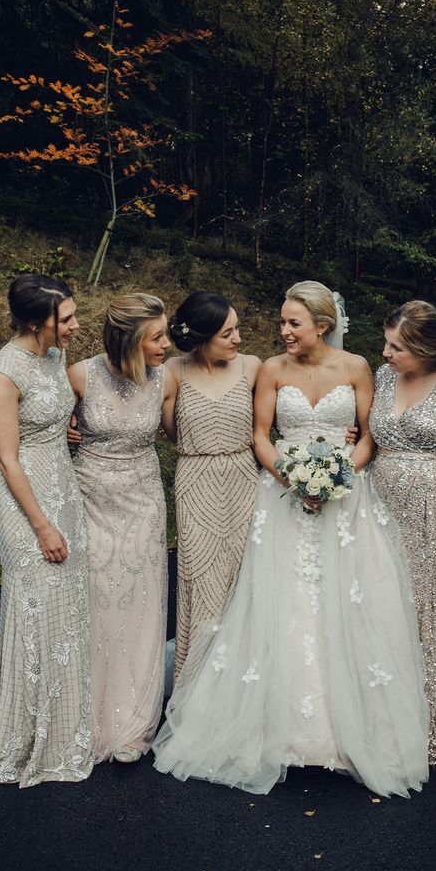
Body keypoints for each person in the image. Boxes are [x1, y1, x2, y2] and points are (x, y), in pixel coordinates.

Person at [153, 281, 429, 798]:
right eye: (282, 322)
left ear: (322, 325)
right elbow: (260, 434)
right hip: (283, 500)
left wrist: (341, 475)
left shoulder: (357, 368)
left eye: (292, 323)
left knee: (348, 605)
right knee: (281, 606)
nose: (282, 331)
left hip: (346, 502)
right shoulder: (272, 370)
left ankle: (347, 732)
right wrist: (292, 479)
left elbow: (369, 435)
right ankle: (277, 730)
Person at [0, 274, 93, 787]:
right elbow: (7, 456)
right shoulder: (3, 373)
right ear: (35, 321)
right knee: (36, 601)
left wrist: (63, 428)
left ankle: (66, 727)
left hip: (61, 482)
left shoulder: (52, 356)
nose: (74, 325)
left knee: (65, 604)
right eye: (64, 318)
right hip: (23, 496)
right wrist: (42, 525)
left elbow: (45, 418)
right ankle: (27, 736)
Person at [68, 294, 175, 763]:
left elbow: (179, 431)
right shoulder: (78, 375)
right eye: (157, 337)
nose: (166, 344)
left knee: (141, 603)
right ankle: (87, 718)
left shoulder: (164, 379)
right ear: (129, 339)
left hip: (144, 501)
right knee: (96, 604)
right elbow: (29, 416)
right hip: (90, 499)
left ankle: (133, 721)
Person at [369, 300, 436, 765]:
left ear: (426, 350)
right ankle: (382, 720)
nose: (387, 354)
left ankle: (434, 727)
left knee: (430, 610)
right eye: (386, 344)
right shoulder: (380, 375)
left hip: (435, 504)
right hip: (377, 500)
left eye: (397, 348)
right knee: (382, 605)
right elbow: (369, 432)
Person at [165, 292, 262, 681]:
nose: (238, 338)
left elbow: (288, 409)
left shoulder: (253, 367)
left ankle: (246, 679)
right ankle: (202, 682)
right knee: (202, 578)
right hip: (195, 478)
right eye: (228, 333)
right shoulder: (172, 370)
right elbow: (158, 425)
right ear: (202, 337)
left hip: (244, 479)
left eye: (237, 329)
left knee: (246, 578)